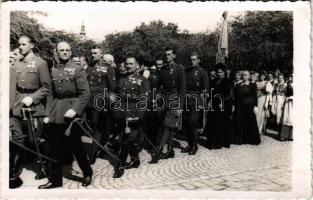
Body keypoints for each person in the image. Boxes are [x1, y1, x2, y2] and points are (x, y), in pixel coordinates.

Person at [39, 41, 92, 189]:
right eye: (62, 50)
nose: (65, 52)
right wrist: (47, 113)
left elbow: (85, 93)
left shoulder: (78, 68)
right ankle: (55, 180)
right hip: (57, 112)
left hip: (73, 114)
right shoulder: (53, 69)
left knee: (76, 147)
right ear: (56, 51)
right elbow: (50, 94)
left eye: (67, 50)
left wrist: (75, 110)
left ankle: (87, 172)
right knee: (55, 148)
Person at [10, 35, 51, 184]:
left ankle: (45, 165)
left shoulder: (41, 64)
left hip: (33, 106)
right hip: (17, 104)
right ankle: (13, 172)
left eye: (24, 44)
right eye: (19, 44)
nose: (21, 47)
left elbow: (46, 87)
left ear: (32, 45)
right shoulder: (16, 64)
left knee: (35, 140)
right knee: (17, 139)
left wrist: (32, 98)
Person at [112, 56, 149, 178]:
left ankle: (120, 165)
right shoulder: (122, 79)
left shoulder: (142, 80)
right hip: (122, 112)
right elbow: (116, 93)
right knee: (127, 139)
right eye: (127, 64)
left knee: (126, 140)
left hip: (134, 113)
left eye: (131, 64)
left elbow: (144, 99)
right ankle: (135, 159)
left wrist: (139, 115)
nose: (128, 66)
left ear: (137, 65)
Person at [149, 48, 186, 164]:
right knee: (168, 126)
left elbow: (182, 89)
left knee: (166, 125)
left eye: (169, 55)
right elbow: (157, 84)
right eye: (166, 55)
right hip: (164, 100)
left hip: (175, 99)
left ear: (174, 56)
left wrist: (180, 106)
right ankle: (170, 150)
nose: (167, 57)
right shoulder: (163, 70)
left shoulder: (179, 69)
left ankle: (158, 151)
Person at [85, 46, 116, 165]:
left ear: (101, 54)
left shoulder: (108, 68)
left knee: (98, 128)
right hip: (89, 102)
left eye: (95, 53)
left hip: (101, 102)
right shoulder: (88, 68)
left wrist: (108, 104)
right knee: (92, 127)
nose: (93, 55)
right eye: (92, 53)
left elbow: (112, 88)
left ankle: (93, 153)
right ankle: (100, 146)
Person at [181, 53, 209, 155]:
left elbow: (205, 89)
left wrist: (202, 103)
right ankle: (190, 143)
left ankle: (194, 145)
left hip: (197, 99)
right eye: (191, 60)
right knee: (186, 122)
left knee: (192, 122)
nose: (192, 61)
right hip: (187, 100)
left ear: (198, 60)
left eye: (194, 60)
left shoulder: (203, 72)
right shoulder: (186, 71)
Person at [205, 63, 233, 149]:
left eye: (221, 72)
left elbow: (230, 94)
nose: (219, 74)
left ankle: (219, 142)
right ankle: (211, 141)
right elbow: (211, 93)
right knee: (212, 123)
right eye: (217, 72)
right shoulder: (213, 82)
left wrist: (223, 101)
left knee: (220, 124)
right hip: (214, 104)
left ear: (224, 73)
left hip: (223, 105)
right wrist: (209, 101)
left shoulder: (228, 82)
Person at [232, 70, 261, 145]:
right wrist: (234, 105)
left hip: (249, 106)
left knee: (250, 121)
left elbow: (255, 96)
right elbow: (236, 97)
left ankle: (251, 139)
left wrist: (255, 106)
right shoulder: (238, 85)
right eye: (242, 75)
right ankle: (241, 139)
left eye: (245, 75)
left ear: (248, 76)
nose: (243, 76)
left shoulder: (253, 85)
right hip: (240, 106)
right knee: (241, 122)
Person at [278, 74, 293, 141]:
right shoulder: (287, 85)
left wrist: (292, 97)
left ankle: (291, 136)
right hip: (287, 102)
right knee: (286, 118)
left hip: (294, 103)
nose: (290, 79)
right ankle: (284, 135)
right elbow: (285, 94)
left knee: (292, 118)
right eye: (289, 78)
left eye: (291, 77)